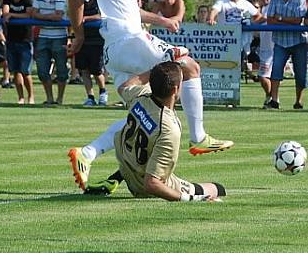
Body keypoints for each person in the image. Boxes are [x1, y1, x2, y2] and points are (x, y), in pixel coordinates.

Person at [67, 0, 233, 190]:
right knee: (189, 66)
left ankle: (88, 153)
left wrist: (163, 20)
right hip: (129, 41)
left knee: (142, 116)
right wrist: (80, 34)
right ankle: (199, 137)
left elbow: (132, 11)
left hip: (117, 52)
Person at [94, 61, 226, 202]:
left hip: (125, 165)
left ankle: (116, 178)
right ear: (175, 89)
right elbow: (152, 184)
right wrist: (193, 199)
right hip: (142, 186)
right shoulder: (169, 129)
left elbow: (123, 88)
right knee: (218, 189)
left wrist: (154, 71)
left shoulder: (141, 95)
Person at [265, 0, 308, 109]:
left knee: (300, 73)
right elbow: (270, 20)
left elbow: (298, 20)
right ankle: (275, 100)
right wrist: (287, 20)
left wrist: (280, 18)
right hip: (280, 41)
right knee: (276, 71)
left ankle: (299, 101)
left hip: (298, 41)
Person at [32, 0, 69, 106]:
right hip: (43, 35)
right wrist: (49, 17)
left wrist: (42, 17)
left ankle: (59, 99)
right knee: (42, 70)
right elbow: (34, 13)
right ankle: (49, 98)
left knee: (61, 69)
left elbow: (58, 16)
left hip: (59, 36)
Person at [2, 0, 35, 105]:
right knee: (15, 71)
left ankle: (30, 97)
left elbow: (29, 14)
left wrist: (12, 15)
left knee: (26, 71)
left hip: (25, 39)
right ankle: (20, 97)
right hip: (11, 39)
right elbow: (5, 13)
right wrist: (8, 14)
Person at [76, 0, 108, 107]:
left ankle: (103, 92)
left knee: (97, 71)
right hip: (82, 40)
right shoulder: (79, 2)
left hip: (97, 41)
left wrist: (86, 18)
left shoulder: (100, 1)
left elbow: (102, 16)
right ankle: (90, 97)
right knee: (84, 70)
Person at [256, 0, 275, 108]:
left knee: (263, 76)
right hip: (263, 47)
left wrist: (255, 20)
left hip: (272, 48)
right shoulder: (262, 9)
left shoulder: (272, 8)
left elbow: (264, 19)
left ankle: (271, 97)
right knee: (265, 76)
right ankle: (271, 97)